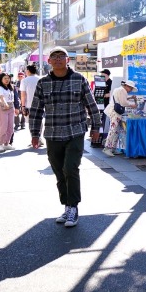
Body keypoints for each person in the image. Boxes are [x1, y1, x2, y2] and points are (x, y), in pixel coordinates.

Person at [29, 46, 102, 228]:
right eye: (55, 56)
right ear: (49, 61)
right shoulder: (43, 83)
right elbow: (36, 110)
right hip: (53, 133)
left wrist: (96, 127)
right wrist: (35, 134)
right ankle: (67, 205)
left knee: (70, 168)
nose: (59, 59)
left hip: (75, 131)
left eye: (62, 56)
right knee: (59, 171)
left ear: (68, 60)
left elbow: (91, 105)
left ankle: (73, 207)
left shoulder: (79, 79)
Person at [103, 80, 138, 156]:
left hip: (113, 111)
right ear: (127, 86)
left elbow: (120, 100)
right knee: (113, 130)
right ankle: (107, 148)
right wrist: (133, 105)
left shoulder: (118, 89)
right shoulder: (123, 91)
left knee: (116, 130)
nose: (131, 90)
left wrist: (129, 98)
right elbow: (123, 102)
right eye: (131, 88)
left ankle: (112, 148)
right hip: (116, 113)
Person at [0, 73, 16, 151]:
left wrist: (16, 107)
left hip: (11, 107)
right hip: (3, 108)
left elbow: (15, 97)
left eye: (8, 78)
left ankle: (7, 143)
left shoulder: (11, 87)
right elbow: (1, 97)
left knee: (11, 127)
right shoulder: (0, 88)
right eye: (5, 78)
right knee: (3, 127)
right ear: (1, 79)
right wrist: (5, 103)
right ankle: (0, 144)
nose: (7, 80)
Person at [97, 68, 112, 145]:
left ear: (106, 74)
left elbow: (111, 93)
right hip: (100, 104)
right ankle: (99, 137)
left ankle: (104, 137)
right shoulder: (100, 82)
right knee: (100, 120)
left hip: (107, 105)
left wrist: (106, 95)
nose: (101, 75)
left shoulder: (110, 82)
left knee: (104, 120)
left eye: (102, 74)